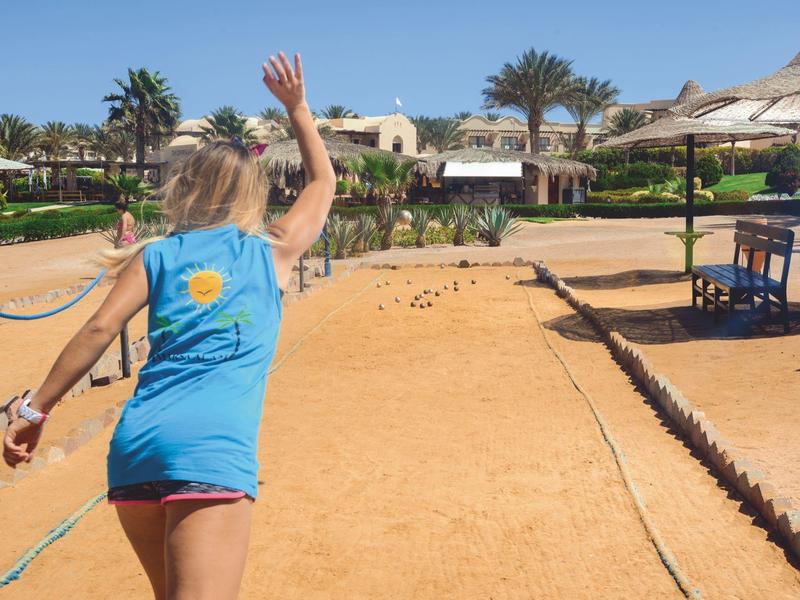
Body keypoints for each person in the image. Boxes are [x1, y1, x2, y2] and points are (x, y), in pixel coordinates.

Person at [3, 51, 335, 600]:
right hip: (209, 451)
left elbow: (97, 330)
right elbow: (321, 182)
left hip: (136, 449)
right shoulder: (270, 252)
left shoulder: (157, 255)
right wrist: (298, 108)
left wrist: (36, 410)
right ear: (254, 193)